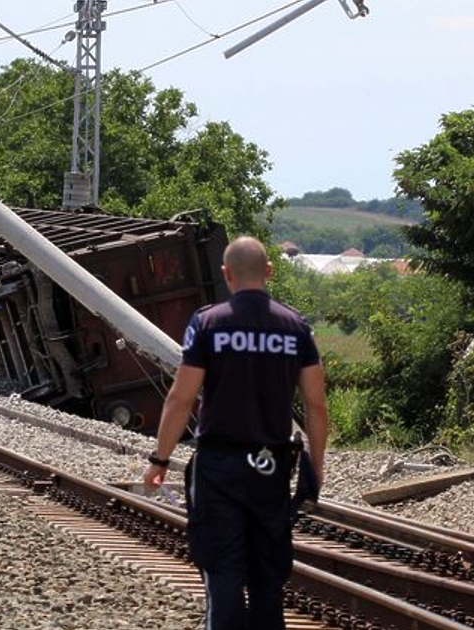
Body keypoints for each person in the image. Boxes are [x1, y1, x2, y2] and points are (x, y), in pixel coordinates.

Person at [142, 235, 328, 630]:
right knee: (267, 578)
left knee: (222, 572)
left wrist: (160, 459)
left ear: (227, 274)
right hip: (271, 470)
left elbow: (180, 399)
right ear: (270, 272)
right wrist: (317, 466)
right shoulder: (296, 327)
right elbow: (316, 405)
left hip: (219, 470)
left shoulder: (208, 323)